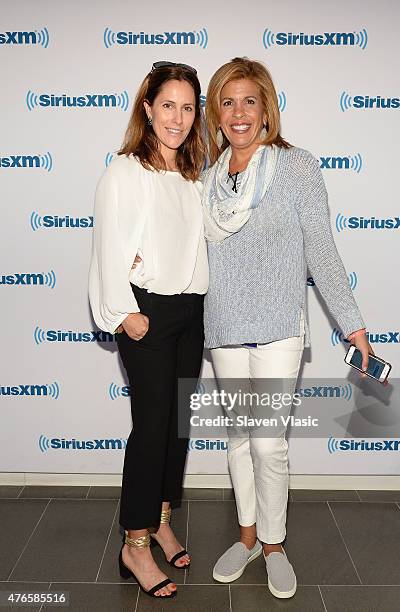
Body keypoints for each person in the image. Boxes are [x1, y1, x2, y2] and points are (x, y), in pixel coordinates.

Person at [202, 57, 372, 599]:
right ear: (216, 113)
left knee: (269, 443)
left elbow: (321, 250)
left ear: (267, 108)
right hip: (224, 327)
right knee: (237, 441)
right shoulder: (208, 178)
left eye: (249, 100)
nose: (239, 112)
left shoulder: (297, 166)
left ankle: (274, 544)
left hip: (278, 327)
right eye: (227, 102)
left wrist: (353, 325)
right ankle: (246, 536)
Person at [88, 61, 208, 599]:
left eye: (187, 107)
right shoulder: (125, 170)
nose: (177, 118)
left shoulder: (190, 175)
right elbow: (108, 247)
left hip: (190, 313)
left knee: (176, 427)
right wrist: (121, 313)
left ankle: (160, 518)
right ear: (147, 107)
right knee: (151, 428)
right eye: (168, 105)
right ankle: (134, 544)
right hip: (148, 314)